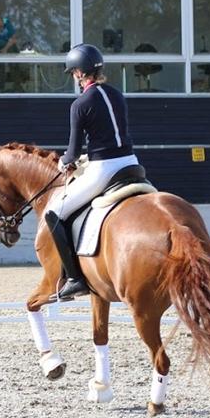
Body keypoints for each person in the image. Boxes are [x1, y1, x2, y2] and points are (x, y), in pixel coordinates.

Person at [44, 44, 141, 301]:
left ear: (78, 73)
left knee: (54, 212)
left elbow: (73, 152)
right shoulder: (117, 95)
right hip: (130, 162)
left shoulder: (80, 104)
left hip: (104, 169)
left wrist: (65, 161)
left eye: (73, 72)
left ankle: (75, 279)